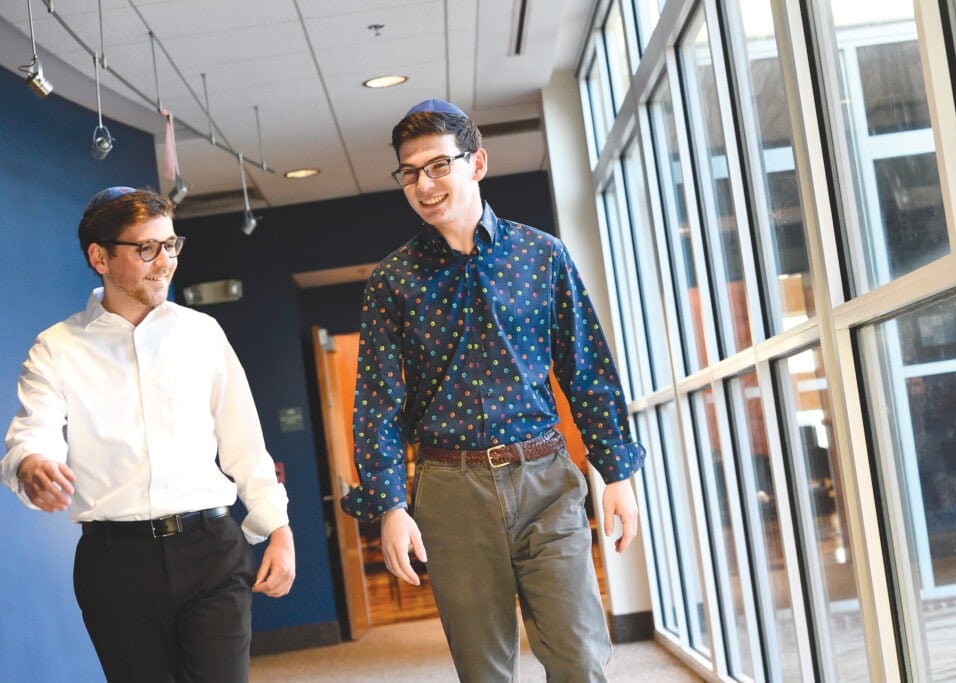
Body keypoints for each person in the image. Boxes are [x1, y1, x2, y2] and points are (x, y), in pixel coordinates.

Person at [340, 99, 646, 681]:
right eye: (409, 173)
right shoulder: (393, 281)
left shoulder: (541, 255)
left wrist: (618, 474)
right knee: (485, 672)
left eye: (437, 166)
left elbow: (587, 372)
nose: (423, 185)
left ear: (476, 163)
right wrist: (390, 506)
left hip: (545, 480)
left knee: (581, 657)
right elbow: (377, 404)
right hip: (450, 492)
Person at [1, 187, 295, 683]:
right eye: (146, 249)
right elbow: (34, 431)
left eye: (171, 245)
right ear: (99, 257)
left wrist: (279, 530)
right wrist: (31, 464)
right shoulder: (56, 348)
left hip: (211, 552)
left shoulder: (203, 334)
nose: (165, 262)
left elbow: (245, 444)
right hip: (114, 565)